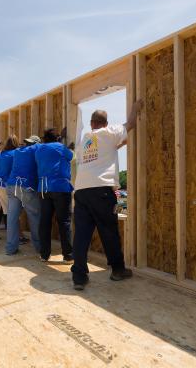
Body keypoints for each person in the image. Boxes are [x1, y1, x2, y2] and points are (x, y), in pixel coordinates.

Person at [71, 105, 138, 290]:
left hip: (82, 191)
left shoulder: (85, 139)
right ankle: (118, 270)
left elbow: (109, 148)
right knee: (109, 232)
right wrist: (137, 107)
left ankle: (79, 277)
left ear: (92, 124)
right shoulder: (110, 131)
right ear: (105, 123)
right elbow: (130, 123)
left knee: (81, 235)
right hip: (102, 190)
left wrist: (120, 143)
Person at [36, 128, 74, 262]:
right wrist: (65, 145)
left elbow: (51, 155)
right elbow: (71, 156)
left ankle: (44, 254)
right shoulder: (61, 147)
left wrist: (60, 141)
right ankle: (68, 255)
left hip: (43, 189)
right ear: (57, 138)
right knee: (64, 221)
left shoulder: (39, 149)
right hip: (60, 187)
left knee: (45, 222)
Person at [5, 135, 42, 256]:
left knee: (12, 218)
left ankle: (11, 248)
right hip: (25, 186)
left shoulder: (18, 151)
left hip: (11, 185)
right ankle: (40, 248)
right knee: (34, 217)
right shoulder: (36, 149)